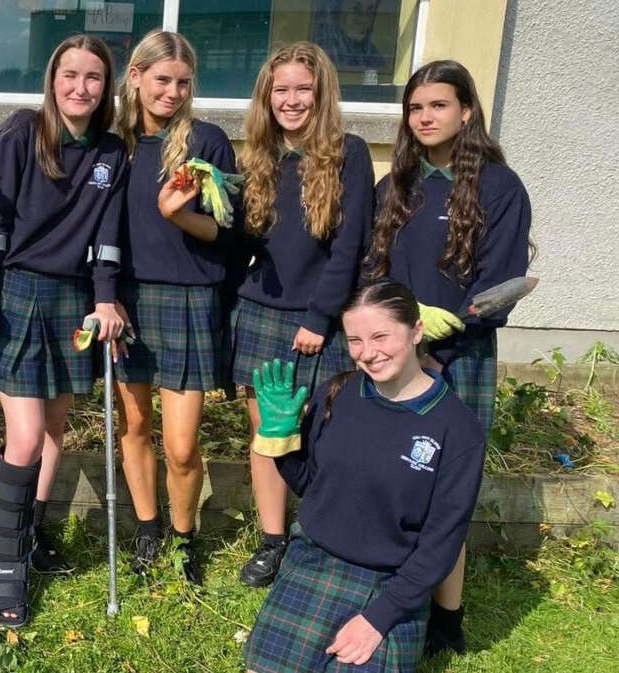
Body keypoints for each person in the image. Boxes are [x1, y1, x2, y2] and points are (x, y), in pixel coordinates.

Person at [0, 34, 128, 627]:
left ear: (108, 87)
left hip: (73, 300)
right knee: (24, 436)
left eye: (94, 78)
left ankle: (30, 534)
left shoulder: (113, 152)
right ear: (52, 78)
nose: (80, 88)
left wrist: (105, 301)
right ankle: (5, 569)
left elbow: (107, 240)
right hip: (19, 293)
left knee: (55, 429)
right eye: (69, 75)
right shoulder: (21, 132)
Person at [366, 59, 532, 654]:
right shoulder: (395, 187)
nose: (425, 117)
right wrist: (394, 340)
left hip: (458, 359)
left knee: (445, 490)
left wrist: (443, 338)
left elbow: (501, 283)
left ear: (466, 111)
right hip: (392, 360)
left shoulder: (498, 187)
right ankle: (389, 595)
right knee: (394, 479)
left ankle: (447, 619)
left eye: (438, 105)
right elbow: (373, 272)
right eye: (415, 107)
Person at [243, 280, 485, 673]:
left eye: (380, 336)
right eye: (355, 340)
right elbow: (311, 486)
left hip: (392, 581)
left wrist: (378, 619)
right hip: (311, 561)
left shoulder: (458, 430)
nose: (368, 354)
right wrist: (279, 441)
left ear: (417, 331)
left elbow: (441, 544)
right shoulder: (336, 393)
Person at [230, 41, 374, 588]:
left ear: (322, 94)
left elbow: (350, 247)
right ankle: (272, 542)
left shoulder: (348, 154)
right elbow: (242, 244)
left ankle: (318, 537)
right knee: (268, 433)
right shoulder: (259, 158)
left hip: (319, 320)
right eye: (280, 90)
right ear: (267, 98)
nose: (291, 101)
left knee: (317, 436)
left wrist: (318, 317)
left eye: (302, 90)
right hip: (259, 312)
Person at [112, 30, 241, 583]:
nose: (173, 91)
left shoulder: (207, 143)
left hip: (188, 298)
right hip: (126, 299)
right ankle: (148, 530)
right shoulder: (111, 143)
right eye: (162, 79)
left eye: (183, 82)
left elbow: (225, 233)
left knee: (182, 445)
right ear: (136, 77)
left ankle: (183, 537)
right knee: (135, 425)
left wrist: (176, 215)